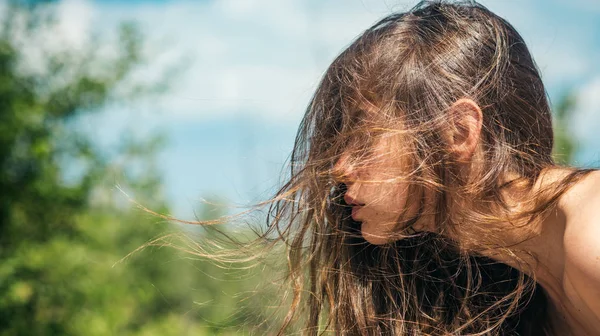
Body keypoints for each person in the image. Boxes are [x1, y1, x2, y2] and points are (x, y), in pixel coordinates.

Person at [186, 1, 600, 334]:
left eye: (363, 140)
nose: (339, 168)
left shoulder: (591, 236)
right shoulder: (511, 286)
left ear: (458, 131)